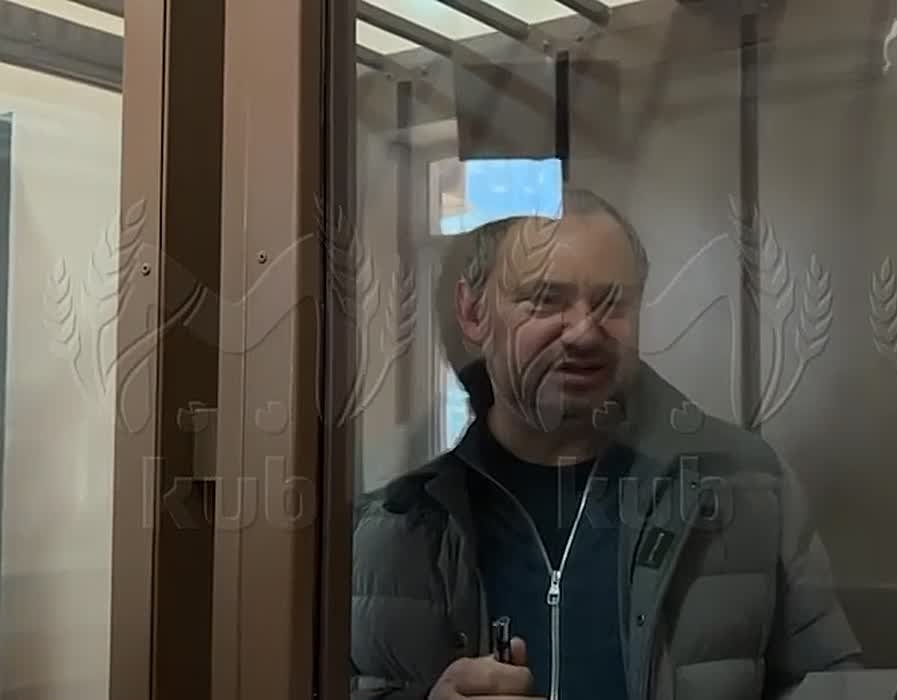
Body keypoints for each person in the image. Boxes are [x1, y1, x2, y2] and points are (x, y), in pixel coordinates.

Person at [349, 189, 861, 700]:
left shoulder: (746, 485)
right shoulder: (392, 525)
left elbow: (832, 686)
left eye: (612, 302)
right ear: (472, 312)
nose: (584, 333)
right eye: (546, 299)